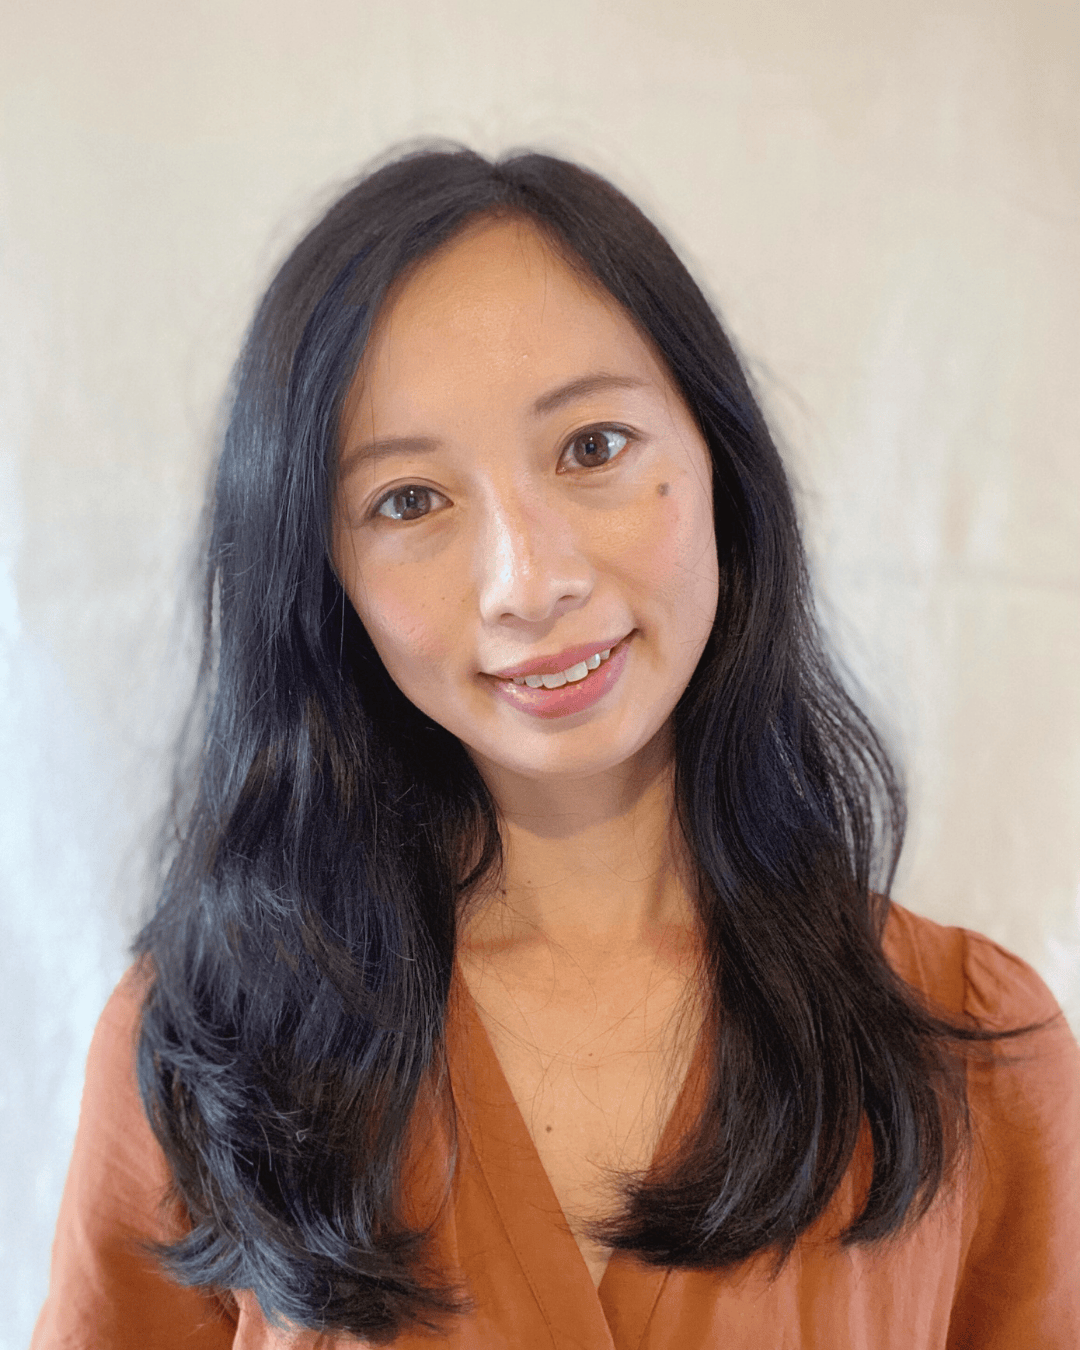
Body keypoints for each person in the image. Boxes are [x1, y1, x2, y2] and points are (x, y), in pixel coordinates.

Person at [33, 147, 1080, 1349]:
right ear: (325, 580)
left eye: (592, 447)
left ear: (718, 460)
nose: (529, 583)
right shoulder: (203, 1054)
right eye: (409, 500)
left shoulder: (972, 1050)